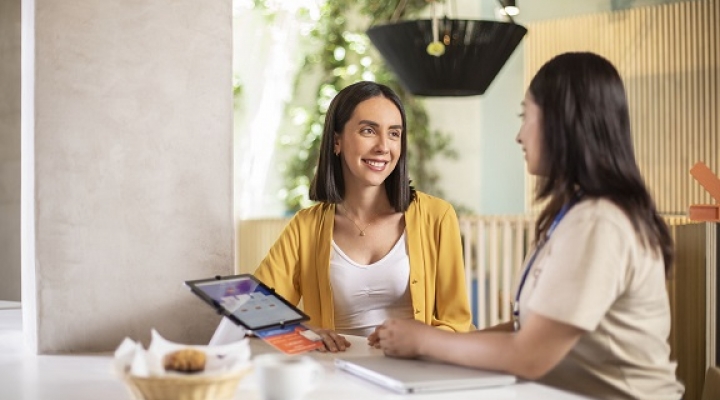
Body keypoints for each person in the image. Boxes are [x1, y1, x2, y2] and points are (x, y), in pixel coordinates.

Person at [375, 52, 685, 400]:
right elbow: (529, 330)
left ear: (561, 122)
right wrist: (426, 342)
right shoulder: (574, 215)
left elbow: (529, 355)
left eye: (526, 117)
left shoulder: (599, 223)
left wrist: (425, 340)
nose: (519, 136)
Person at [213, 81, 473, 351]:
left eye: (394, 134)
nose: (384, 146)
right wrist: (305, 330)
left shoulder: (437, 216)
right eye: (369, 131)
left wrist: (420, 340)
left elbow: (457, 323)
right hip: (334, 374)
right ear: (337, 141)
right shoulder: (306, 227)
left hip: (415, 374)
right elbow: (253, 314)